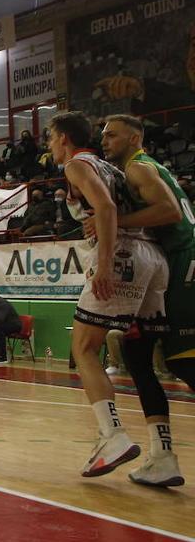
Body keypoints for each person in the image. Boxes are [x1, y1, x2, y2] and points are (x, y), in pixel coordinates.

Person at [47, 111, 167, 480]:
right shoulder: (109, 166)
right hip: (152, 258)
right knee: (142, 362)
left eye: (51, 138)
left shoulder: (77, 165)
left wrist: (103, 265)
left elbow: (107, 208)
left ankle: (112, 434)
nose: (50, 146)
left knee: (83, 347)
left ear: (64, 138)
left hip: (122, 255)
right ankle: (163, 456)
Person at [96, 114, 194, 486]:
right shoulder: (143, 169)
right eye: (103, 135)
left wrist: (116, 222)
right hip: (171, 265)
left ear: (135, 137)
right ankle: (162, 456)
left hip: (183, 261)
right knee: (138, 355)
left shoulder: (139, 168)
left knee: (183, 360)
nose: (106, 141)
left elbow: (169, 212)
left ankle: (163, 457)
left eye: (113, 135)